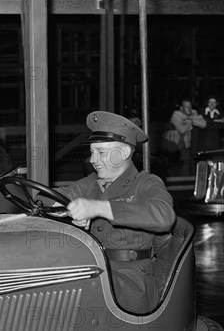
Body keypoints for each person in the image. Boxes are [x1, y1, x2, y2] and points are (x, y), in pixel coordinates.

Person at [56, 111, 176, 314]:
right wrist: (65, 209)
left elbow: (164, 216)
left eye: (101, 153)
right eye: (92, 152)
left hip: (130, 279)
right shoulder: (91, 183)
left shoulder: (146, 183)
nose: (93, 159)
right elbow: (58, 196)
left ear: (124, 153)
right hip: (93, 268)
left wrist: (96, 208)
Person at [162, 98, 206, 175]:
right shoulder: (176, 115)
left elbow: (203, 124)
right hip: (175, 143)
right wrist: (192, 123)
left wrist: (191, 121)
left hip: (189, 144)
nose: (189, 109)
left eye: (190, 106)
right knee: (184, 162)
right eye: (186, 107)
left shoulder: (194, 113)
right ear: (181, 108)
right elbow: (182, 130)